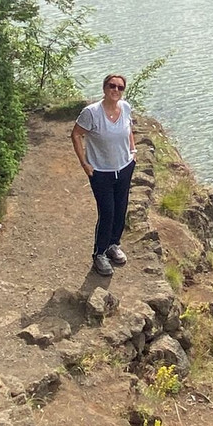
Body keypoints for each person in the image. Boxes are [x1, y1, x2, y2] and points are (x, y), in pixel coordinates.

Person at [71, 73, 137, 276]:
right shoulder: (91, 113)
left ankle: (113, 245)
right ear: (104, 87)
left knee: (121, 209)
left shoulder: (125, 107)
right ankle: (99, 254)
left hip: (124, 167)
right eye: (112, 86)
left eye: (120, 87)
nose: (115, 90)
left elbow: (128, 130)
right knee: (107, 212)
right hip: (101, 172)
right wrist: (85, 164)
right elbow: (75, 134)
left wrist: (133, 152)